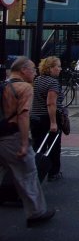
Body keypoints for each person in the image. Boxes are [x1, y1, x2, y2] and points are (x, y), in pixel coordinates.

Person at [0, 56, 55, 226]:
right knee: (28, 174)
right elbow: (23, 115)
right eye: (33, 69)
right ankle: (36, 212)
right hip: (13, 136)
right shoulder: (24, 87)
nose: (35, 72)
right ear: (23, 70)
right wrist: (25, 142)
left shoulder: (2, 86)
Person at [30, 56, 65, 182]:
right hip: (48, 118)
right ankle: (53, 172)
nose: (60, 69)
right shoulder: (52, 82)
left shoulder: (37, 80)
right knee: (54, 146)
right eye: (58, 66)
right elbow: (51, 103)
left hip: (36, 117)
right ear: (50, 68)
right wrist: (54, 122)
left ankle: (36, 170)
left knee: (38, 146)